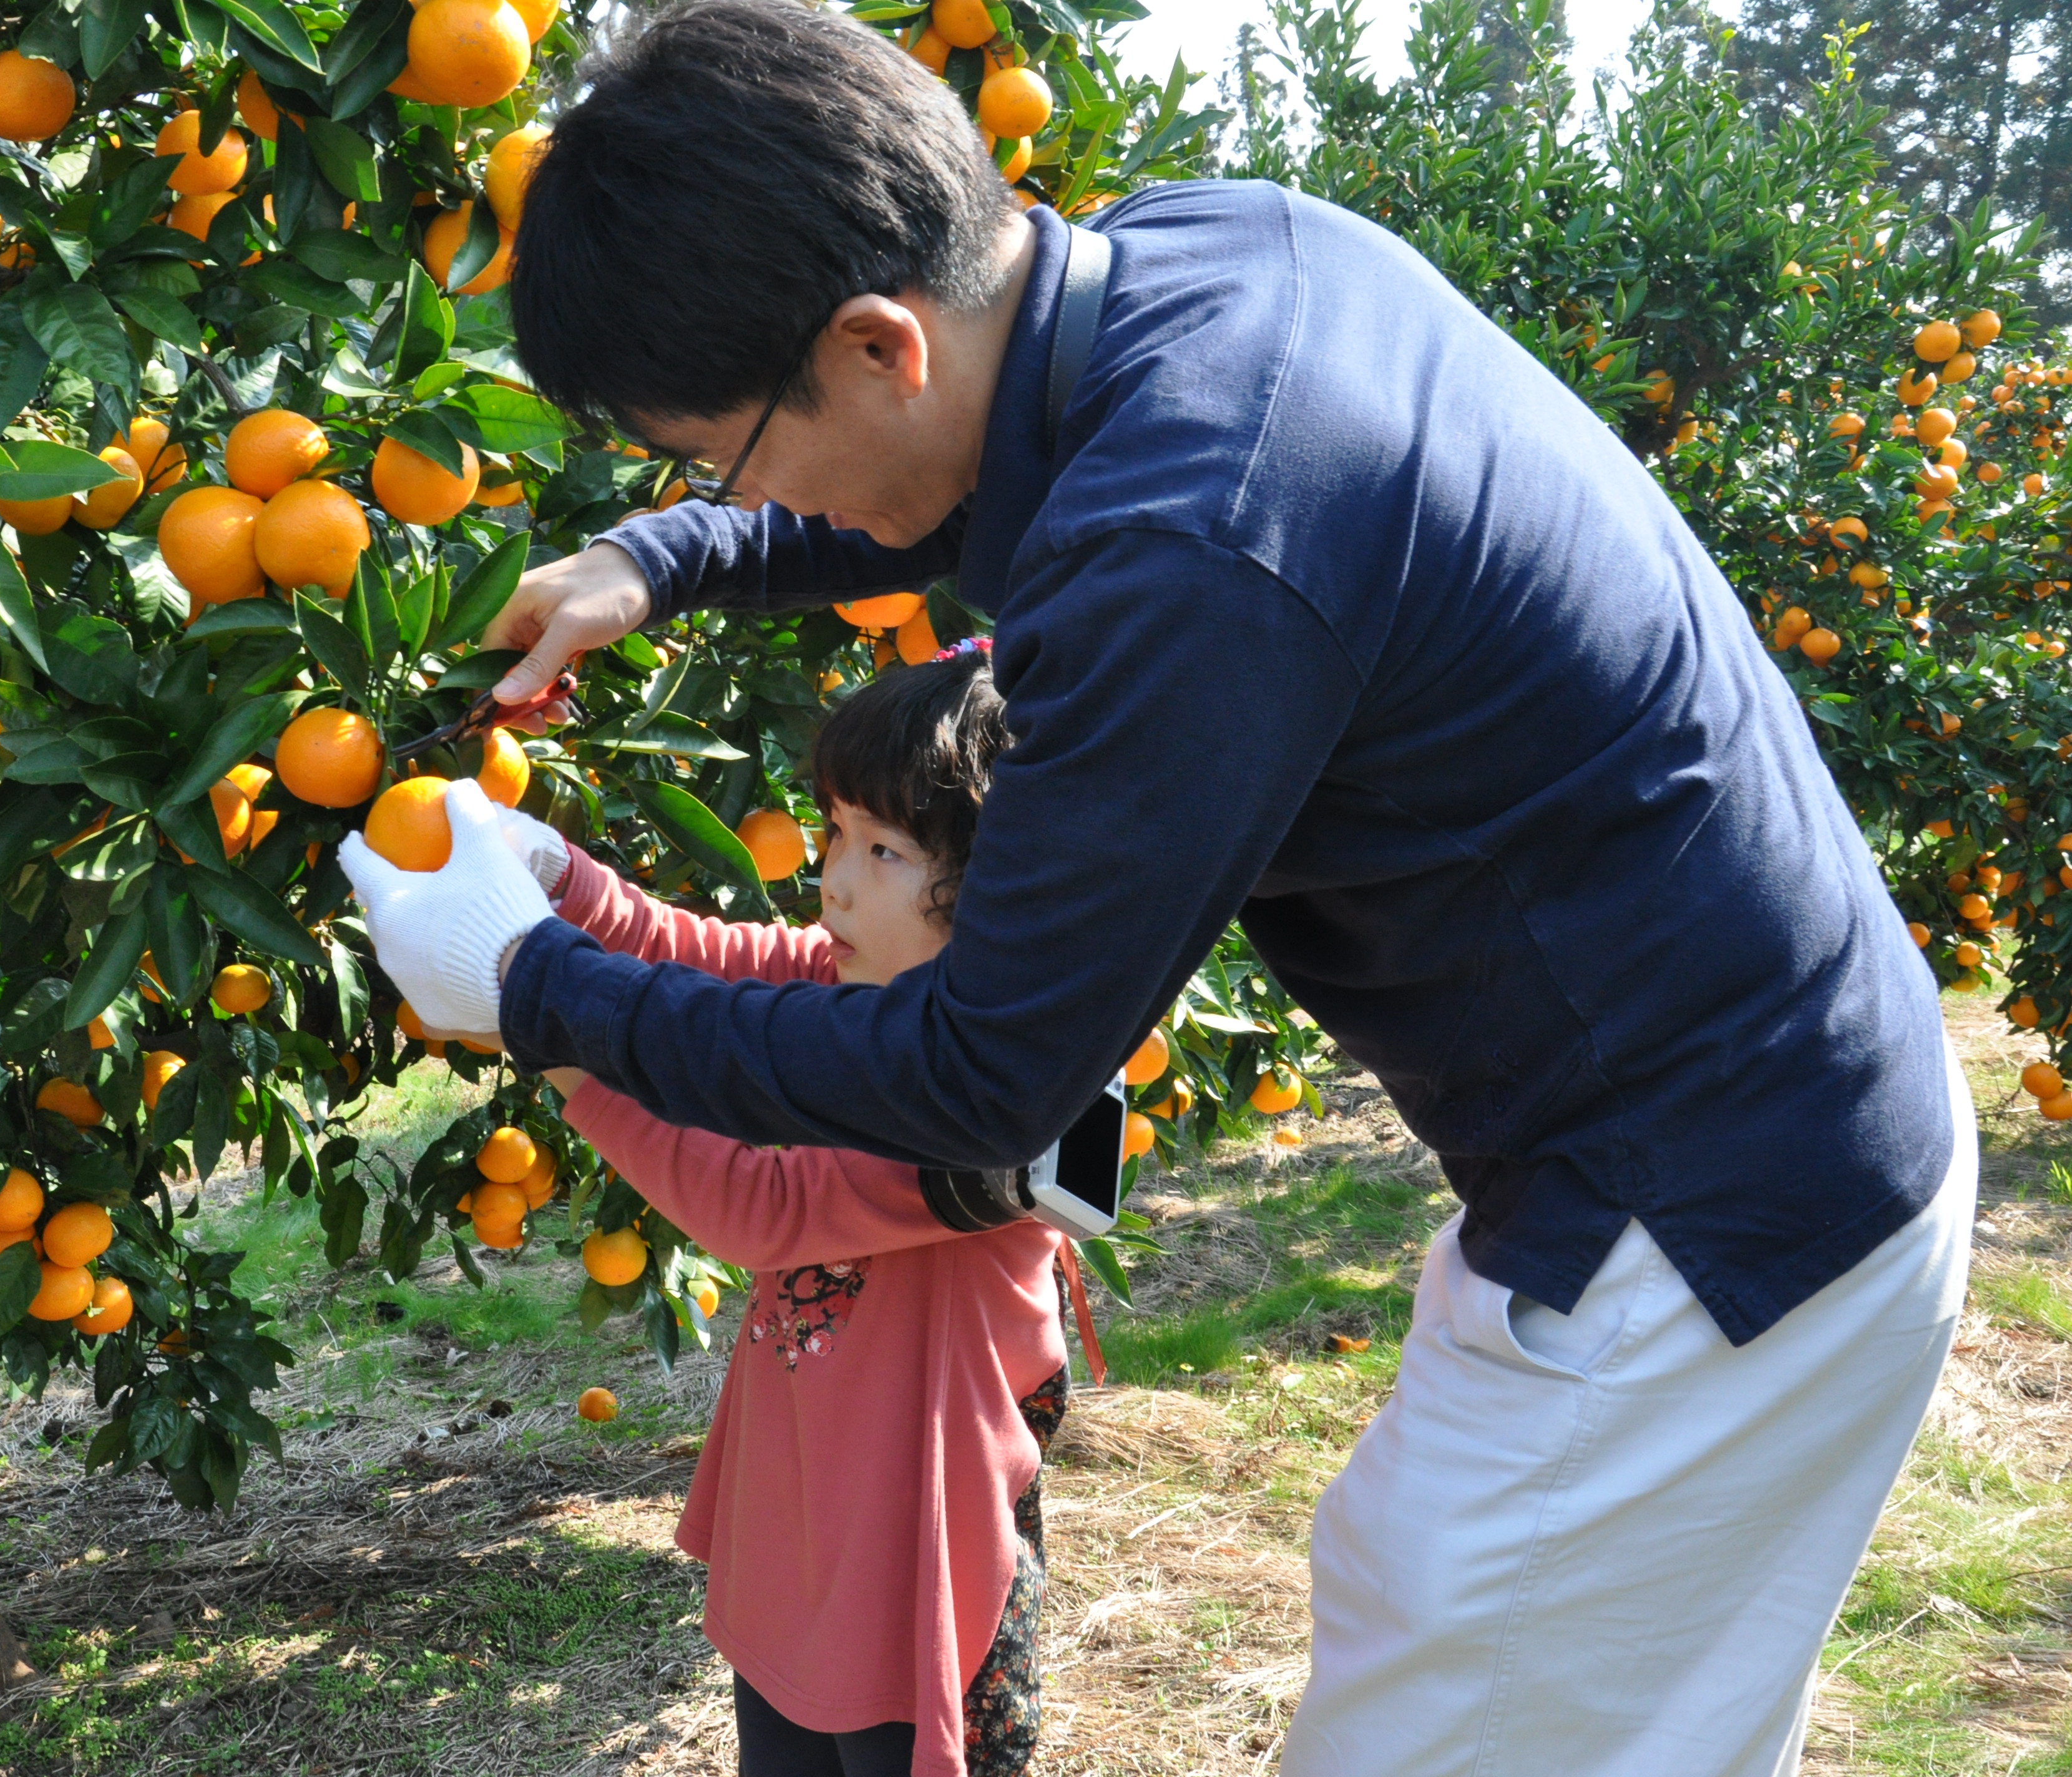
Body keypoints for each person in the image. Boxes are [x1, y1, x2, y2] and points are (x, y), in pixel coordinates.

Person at [346, 3, 1975, 1771]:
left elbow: (979, 1071)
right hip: (1759, 1133)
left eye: (713, 455)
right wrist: (674, 556)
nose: (728, 490)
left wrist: (537, 991)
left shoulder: (1195, 543)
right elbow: (945, 487)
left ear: (881, 344)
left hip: (1702, 1225)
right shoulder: (1203, 261)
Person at [446, 645, 1063, 1777]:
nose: (832, 879)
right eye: (833, 834)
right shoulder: (854, 979)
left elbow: (756, 1209)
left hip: (918, 1552)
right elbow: (711, 958)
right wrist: (561, 879)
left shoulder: (992, 1094)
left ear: (1004, 885)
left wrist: (549, 1036)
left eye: (883, 850)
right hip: (802, 1517)